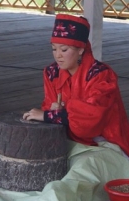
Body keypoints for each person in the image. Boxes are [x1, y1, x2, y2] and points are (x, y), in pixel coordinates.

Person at [23, 14, 129, 156]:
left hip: (103, 142)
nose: (58, 55)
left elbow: (91, 120)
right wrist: (53, 110)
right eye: (54, 49)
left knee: (84, 170)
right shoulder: (51, 72)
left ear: (80, 50)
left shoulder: (102, 75)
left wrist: (52, 115)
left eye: (64, 50)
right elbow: (48, 108)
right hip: (67, 138)